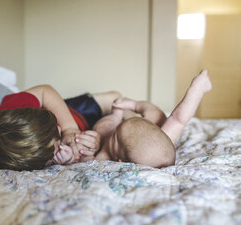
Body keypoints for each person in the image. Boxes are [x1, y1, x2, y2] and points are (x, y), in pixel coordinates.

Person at [54, 69, 212, 168]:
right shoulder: (160, 143)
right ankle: (133, 106)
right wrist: (195, 91)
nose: (114, 130)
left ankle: (118, 111)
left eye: (115, 136)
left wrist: (67, 157)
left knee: (106, 126)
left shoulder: (103, 157)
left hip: (117, 119)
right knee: (161, 119)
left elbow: (82, 159)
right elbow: (179, 119)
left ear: (120, 161)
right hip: (139, 124)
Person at [0, 83, 121, 171]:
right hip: (90, 127)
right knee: (119, 127)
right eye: (57, 147)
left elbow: (45, 91)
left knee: (116, 98)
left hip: (70, 112)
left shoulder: (13, 110)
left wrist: (69, 129)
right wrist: (68, 159)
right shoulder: (24, 159)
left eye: (56, 131)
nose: (59, 131)